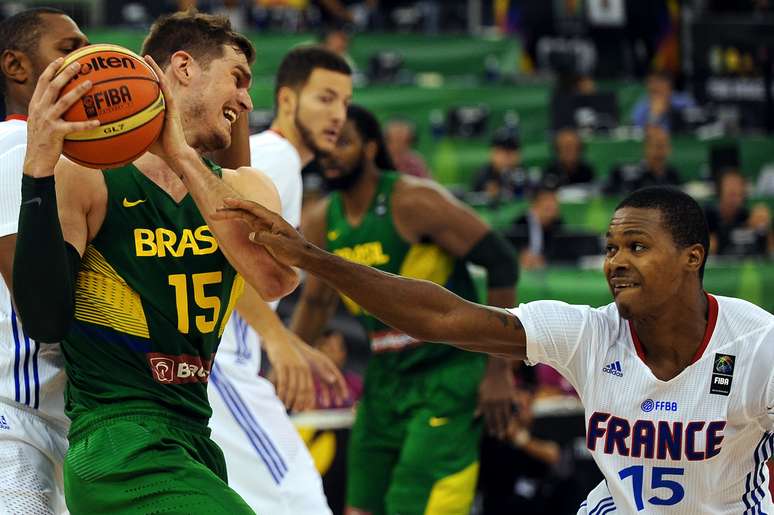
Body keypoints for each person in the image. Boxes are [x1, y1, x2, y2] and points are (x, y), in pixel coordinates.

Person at [213, 185, 774, 514]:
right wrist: (314, 258)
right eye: (610, 247)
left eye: (637, 246)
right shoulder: (589, 332)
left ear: (692, 258)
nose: (616, 261)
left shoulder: (755, 344)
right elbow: (442, 316)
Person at [13, 11, 299, 513]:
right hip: (118, 442)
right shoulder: (86, 178)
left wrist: (181, 155)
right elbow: (42, 318)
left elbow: (277, 280)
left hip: (195, 436)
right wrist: (37, 170)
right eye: (238, 79)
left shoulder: (246, 189)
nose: (248, 101)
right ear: (183, 67)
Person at [288, 104, 519, 515]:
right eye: (325, 144)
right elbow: (318, 301)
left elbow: (502, 261)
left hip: (446, 373)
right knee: (359, 507)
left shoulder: (415, 201)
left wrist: (500, 368)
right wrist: (283, 369)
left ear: (370, 147)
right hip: (384, 379)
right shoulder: (323, 219)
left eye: (343, 142)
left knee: (412, 505)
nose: (331, 154)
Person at [209, 45, 353, 515]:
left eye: (345, 103)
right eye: (325, 98)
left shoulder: (279, 162)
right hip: (220, 357)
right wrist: (277, 338)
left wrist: (285, 339)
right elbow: (219, 252)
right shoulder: (275, 159)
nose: (338, 115)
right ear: (288, 100)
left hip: (229, 356)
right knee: (298, 498)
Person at [0, 8, 89, 513]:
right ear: (17, 67)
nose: (85, 59)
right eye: (68, 48)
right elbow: (40, 310)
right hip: (16, 419)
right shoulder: (15, 145)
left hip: (53, 419)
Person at [704, 168, 772, 257]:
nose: (735, 199)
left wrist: (764, 229)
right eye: (731, 193)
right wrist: (745, 227)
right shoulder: (707, 216)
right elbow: (710, 247)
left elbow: (768, 249)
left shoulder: (746, 215)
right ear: (719, 192)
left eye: (739, 193)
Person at [605, 124, 681, 195]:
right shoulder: (626, 174)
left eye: (665, 145)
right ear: (646, 147)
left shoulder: (672, 174)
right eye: (658, 146)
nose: (661, 151)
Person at [510, 185, 563, 270]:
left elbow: (562, 251)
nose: (553, 206)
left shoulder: (558, 224)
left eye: (554, 202)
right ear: (535, 205)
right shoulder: (520, 222)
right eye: (547, 203)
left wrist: (544, 259)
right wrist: (521, 255)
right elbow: (511, 247)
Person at [471, 127, 530, 200]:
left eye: (511, 151)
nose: (506, 157)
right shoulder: (483, 175)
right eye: (502, 151)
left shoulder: (523, 174)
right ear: (492, 153)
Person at [630, 71, 695, 131]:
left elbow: (695, 118)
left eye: (657, 83)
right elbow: (636, 126)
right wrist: (654, 115)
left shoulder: (684, 100)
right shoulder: (643, 103)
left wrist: (668, 106)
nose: (653, 87)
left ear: (668, 84)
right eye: (650, 83)